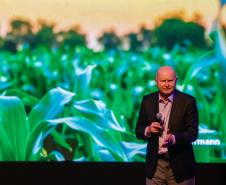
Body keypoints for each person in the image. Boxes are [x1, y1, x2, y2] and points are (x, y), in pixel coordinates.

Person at [135, 66, 199, 185]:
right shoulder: (147, 101)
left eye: (170, 80)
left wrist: (174, 139)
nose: (167, 84)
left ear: (176, 80)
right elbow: (138, 130)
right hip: (155, 167)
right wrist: (148, 130)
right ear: (156, 81)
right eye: (163, 81)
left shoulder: (188, 101)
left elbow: (193, 133)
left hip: (181, 167)